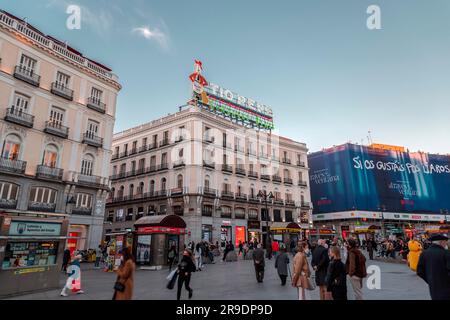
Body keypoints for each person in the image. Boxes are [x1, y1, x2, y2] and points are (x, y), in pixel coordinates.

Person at [416, 234, 450, 300]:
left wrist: (430, 280)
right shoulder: (446, 253)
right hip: (447, 288)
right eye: (445, 242)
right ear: (441, 242)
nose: (446, 244)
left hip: (433, 286)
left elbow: (419, 271)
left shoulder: (424, 253)